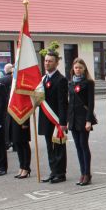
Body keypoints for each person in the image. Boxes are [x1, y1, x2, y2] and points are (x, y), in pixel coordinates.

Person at [38, 51, 68, 183]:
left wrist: (63, 122)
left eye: (50, 61)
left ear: (56, 63)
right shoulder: (43, 79)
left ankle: (60, 173)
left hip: (56, 119)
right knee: (49, 147)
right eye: (46, 61)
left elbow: (62, 102)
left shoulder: (61, 79)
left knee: (59, 147)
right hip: (45, 118)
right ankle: (53, 171)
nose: (47, 63)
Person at [67, 58, 97, 186]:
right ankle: (82, 173)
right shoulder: (71, 83)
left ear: (84, 68)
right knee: (78, 147)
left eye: (80, 67)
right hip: (73, 119)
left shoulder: (88, 83)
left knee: (84, 145)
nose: (78, 70)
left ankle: (87, 174)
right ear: (73, 69)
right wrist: (68, 120)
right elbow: (70, 103)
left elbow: (91, 103)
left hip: (83, 119)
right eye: (76, 68)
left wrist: (89, 120)